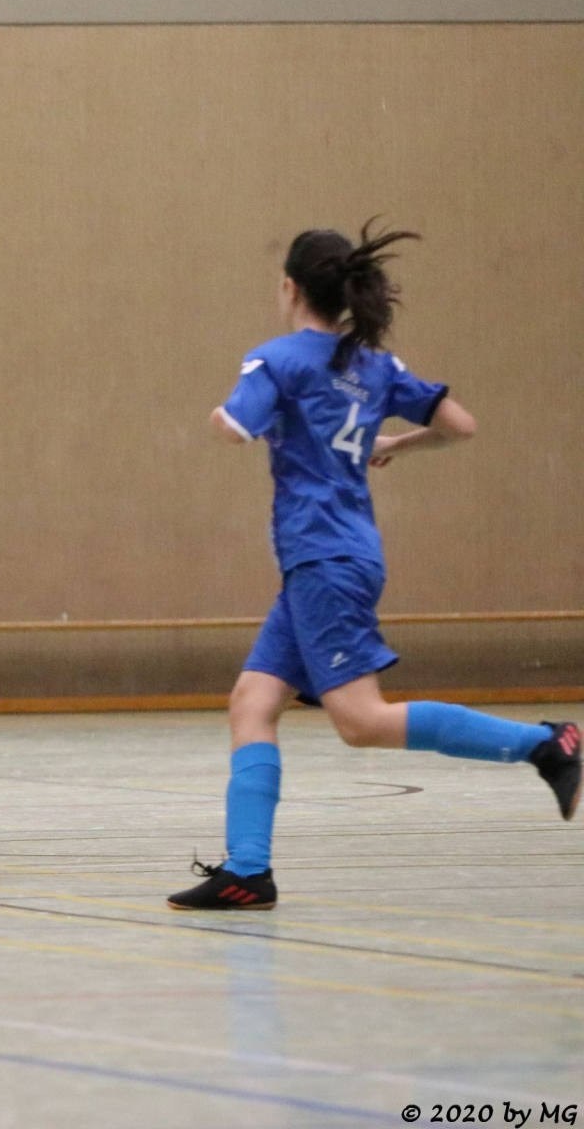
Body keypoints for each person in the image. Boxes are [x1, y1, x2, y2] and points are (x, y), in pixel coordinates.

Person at [169, 224, 579, 911]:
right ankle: (248, 872)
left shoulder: (276, 360)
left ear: (290, 288)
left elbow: (234, 427)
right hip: (333, 559)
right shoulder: (374, 366)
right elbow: (460, 424)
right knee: (253, 702)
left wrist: (224, 413)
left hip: (324, 561)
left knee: (361, 722)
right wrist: (393, 442)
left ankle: (544, 745)